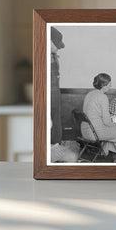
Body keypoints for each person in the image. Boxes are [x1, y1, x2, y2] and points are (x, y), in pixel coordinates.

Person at [82, 73, 116, 162]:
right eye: (110, 83)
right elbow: (107, 122)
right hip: (94, 133)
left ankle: (115, 156)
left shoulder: (90, 94)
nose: (111, 85)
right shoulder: (102, 97)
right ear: (104, 85)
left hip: (85, 130)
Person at [50, 27, 78, 163]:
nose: (58, 48)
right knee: (72, 157)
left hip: (53, 138)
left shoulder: (53, 59)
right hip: (49, 139)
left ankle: (54, 145)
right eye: (56, 45)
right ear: (48, 41)